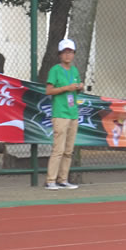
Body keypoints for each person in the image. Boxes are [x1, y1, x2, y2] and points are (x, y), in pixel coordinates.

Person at [44, 38, 83, 190]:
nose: (68, 55)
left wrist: (79, 87)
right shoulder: (55, 70)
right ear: (60, 54)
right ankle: (50, 180)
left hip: (73, 113)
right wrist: (66, 88)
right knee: (58, 149)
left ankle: (63, 179)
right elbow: (49, 91)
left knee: (68, 150)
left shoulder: (74, 70)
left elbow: (76, 90)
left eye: (70, 52)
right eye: (65, 52)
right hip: (60, 113)